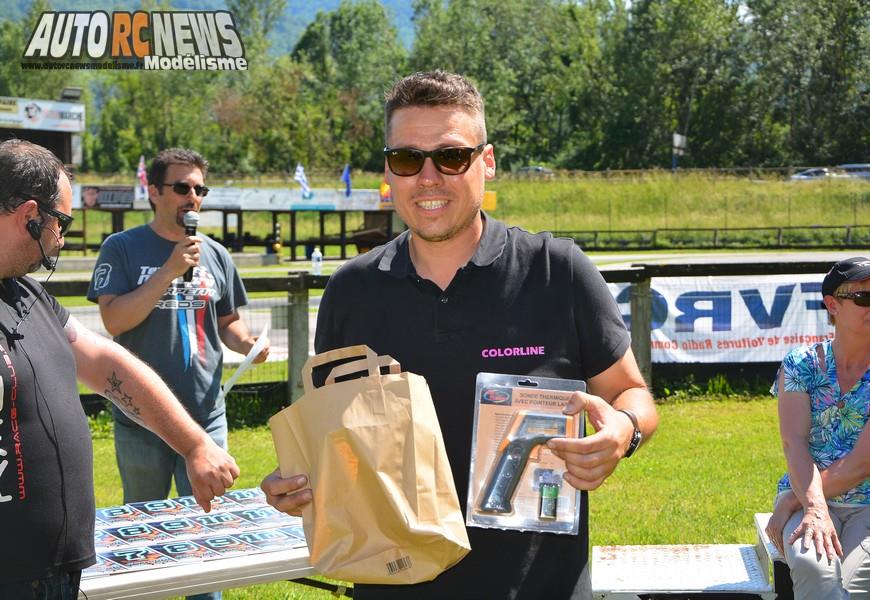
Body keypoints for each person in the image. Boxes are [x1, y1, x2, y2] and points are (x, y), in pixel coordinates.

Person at [262, 70, 658, 599]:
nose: (428, 177)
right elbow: (337, 443)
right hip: (394, 584)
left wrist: (622, 431)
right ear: (388, 170)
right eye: (407, 159)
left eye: (451, 157)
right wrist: (298, 482)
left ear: (486, 162)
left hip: (541, 586)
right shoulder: (351, 291)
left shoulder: (557, 270)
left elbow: (632, 392)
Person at [0, 139, 240, 599]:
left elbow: (108, 362)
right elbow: (116, 322)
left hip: (52, 572)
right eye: (61, 222)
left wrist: (194, 445)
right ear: (29, 214)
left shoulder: (26, 295)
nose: (62, 238)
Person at [87, 148, 268, 600]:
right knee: (143, 537)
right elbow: (115, 322)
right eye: (182, 187)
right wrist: (168, 271)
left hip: (206, 417)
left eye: (200, 189)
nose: (193, 197)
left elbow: (227, 322)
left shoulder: (217, 255)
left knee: (208, 536)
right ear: (153, 192)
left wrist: (248, 345)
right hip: (142, 420)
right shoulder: (123, 248)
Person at [765, 257, 870, 600]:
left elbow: (862, 464)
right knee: (813, 568)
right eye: (865, 298)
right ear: (832, 305)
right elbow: (793, 442)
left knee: (843, 592)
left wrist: (797, 501)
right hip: (808, 499)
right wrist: (814, 507)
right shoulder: (801, 364)